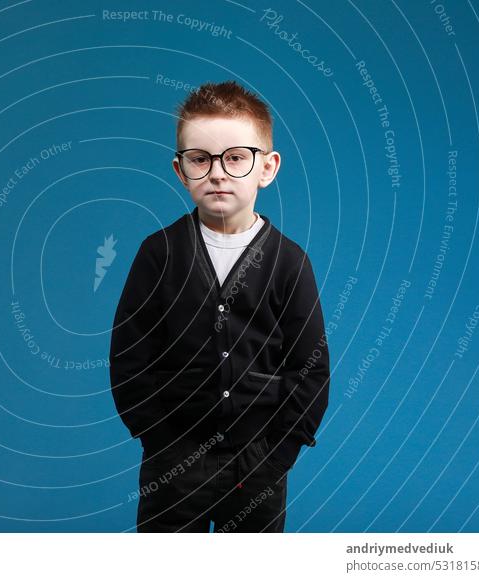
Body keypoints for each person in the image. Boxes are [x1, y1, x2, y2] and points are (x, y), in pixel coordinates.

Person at [109, 80, 330, 532]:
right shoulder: (159, 254)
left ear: (267, 167)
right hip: (173, 465)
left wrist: (278, 453)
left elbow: (310, 367)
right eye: (200, 159)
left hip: (259, 464)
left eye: (235, 158)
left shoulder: (289, 262)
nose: (217, 172)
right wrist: (160, 442)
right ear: (180, 169)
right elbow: (130, 358)